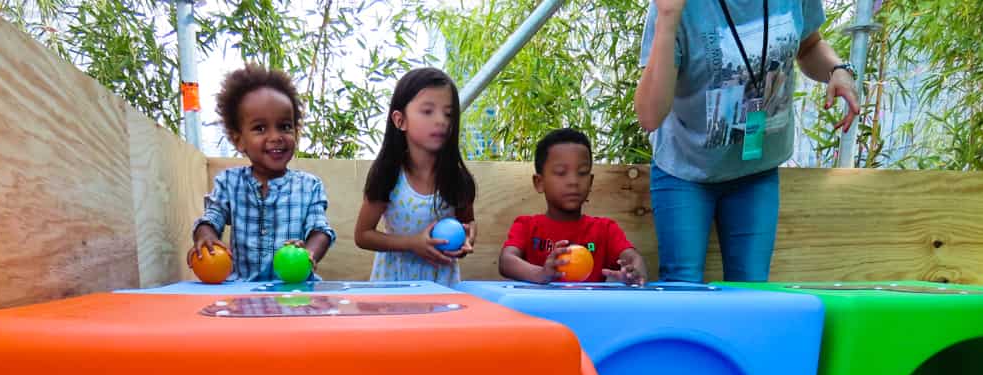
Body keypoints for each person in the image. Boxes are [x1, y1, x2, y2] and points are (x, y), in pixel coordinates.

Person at [635, 0, 859, 282]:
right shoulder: (676, 5)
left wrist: (838, 69)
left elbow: (809, 45)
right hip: (686, 167)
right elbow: (649, 116)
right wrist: (668, 20)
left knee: (751, 289)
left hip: (757, 168)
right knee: (682, 285)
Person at [189, 65, 335, 281]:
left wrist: (308, 252)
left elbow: (320, 230)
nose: (276, 137)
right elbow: (212, 218)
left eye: (285, 126)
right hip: (242, 290)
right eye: (260, 128)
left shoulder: (309, 186)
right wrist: (205, 236)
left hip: (294, 290)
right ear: (238, 140)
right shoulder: (229, 183)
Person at [354, 67, 477, 285]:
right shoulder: (388, 174)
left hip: (442, 288)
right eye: (428, 111)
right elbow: (363, 235)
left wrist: (468, 237)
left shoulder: (457, 179)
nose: (441, 121)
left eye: (448, 114)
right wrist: (411, 244)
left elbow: (468, 222)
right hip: (394, 288)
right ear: (400, 120)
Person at [499, 128, 647, 284]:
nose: (573, 182)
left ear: (590, 182)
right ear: (539, 182)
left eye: (582, 173)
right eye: (561, 172)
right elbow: (506, 261)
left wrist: (633, 275)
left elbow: (634, 259)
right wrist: (540, 274)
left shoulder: (606, 230)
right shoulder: (526, 226)